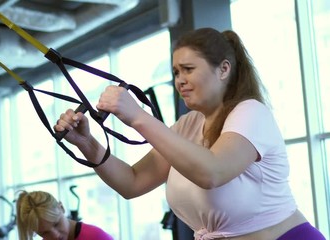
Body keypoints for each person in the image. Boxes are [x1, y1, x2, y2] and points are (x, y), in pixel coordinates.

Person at [53, 27, 326, 240]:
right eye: (175, 72)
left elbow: (212, 172)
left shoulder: (250, 112)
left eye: (188, 69)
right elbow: (132, 182)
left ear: (223, 69)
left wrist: (138, 117)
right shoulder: (188, 125)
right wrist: (87, 143)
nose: (179, 80)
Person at [16, 190, 113, 240]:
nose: (55, 236)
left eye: (56, 224)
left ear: (61, 207)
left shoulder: (96, 237)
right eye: (45, 233)